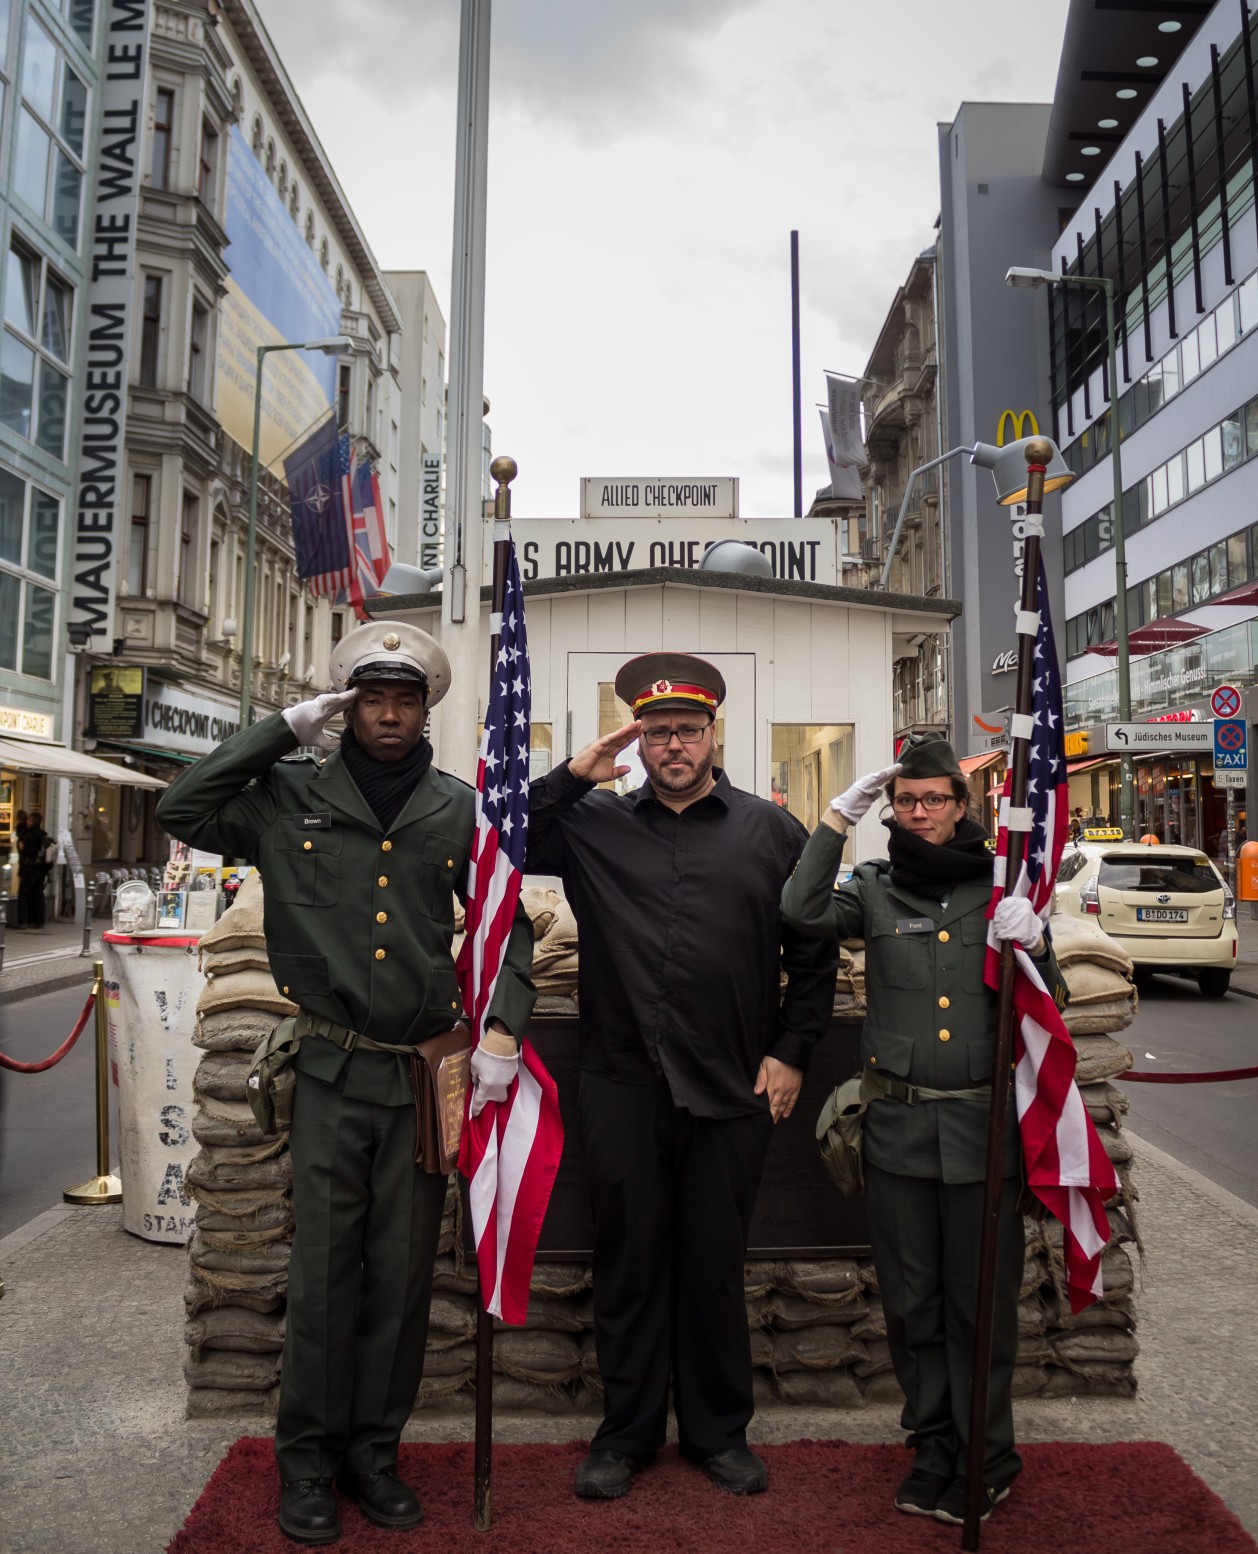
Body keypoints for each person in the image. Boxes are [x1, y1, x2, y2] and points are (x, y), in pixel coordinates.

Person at [156, 621, 536, 1547]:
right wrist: (281, 727)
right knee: (323, 1277)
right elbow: (183, 808)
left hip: (417, 1080)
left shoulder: (457, 808)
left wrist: (500, 1031)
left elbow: (507, 929)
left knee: (401, 1280)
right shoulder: (288, 794)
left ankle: (376, 1454)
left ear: (426, 710)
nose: (390, 714)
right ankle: (309, 1464)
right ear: (348, 708)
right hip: (326, 1071)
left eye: (405, 699)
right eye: (372, 699)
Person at [525, 652, 837, 1502]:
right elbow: (498, 840)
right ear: (638, 740)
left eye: (686, 731)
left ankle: (715, 1435)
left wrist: (793, 1049)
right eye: (656, 732)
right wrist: (572, 773)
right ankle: (625, 1436)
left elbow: (813, 950)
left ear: (712, 735)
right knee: (628, 1262)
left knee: (711, 1265)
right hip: (622, 1083)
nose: (672, 745)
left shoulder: (772, 832)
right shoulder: (593, 824)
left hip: (733, 1086)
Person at [781, 733, 1069, 1527]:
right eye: (906, 801)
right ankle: (934, 1446)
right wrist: (838, 815)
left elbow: (1057, 1007)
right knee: (912, 1307)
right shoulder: (874, 887)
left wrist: (1037, 941)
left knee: (981, 1307)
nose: (918, 812)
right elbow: (800, 910)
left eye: (933, 799)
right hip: (900, 1131)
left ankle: (987, 1453)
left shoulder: (1001, 889)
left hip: (983, 1133)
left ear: (961, 804)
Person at [16, 811, 52, 929]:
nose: (27, 822)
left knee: (23, 894)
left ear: (33, 822)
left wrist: (23, 847)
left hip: (30, 868)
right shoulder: (42, 834)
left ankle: (23, 921)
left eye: (29, 821)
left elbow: (27, 851)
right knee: (38, 894)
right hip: (41, 869)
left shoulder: (30, 836)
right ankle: (39, 920)